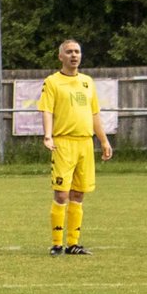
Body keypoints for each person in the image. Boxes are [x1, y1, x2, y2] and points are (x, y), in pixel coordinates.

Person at [38, 39, 113, 256]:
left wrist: (104, 140)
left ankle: (73, 244)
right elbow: (47, 110)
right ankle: (56, 244)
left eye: (77, 51)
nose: (74, 55)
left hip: (85, 144)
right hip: (63, 143)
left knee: (78, 194)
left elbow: (94, 114)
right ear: (60, 56)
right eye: (69, 52)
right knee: (62, 194)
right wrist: (48, 136)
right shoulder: (52, 82)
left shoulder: (88, 82)